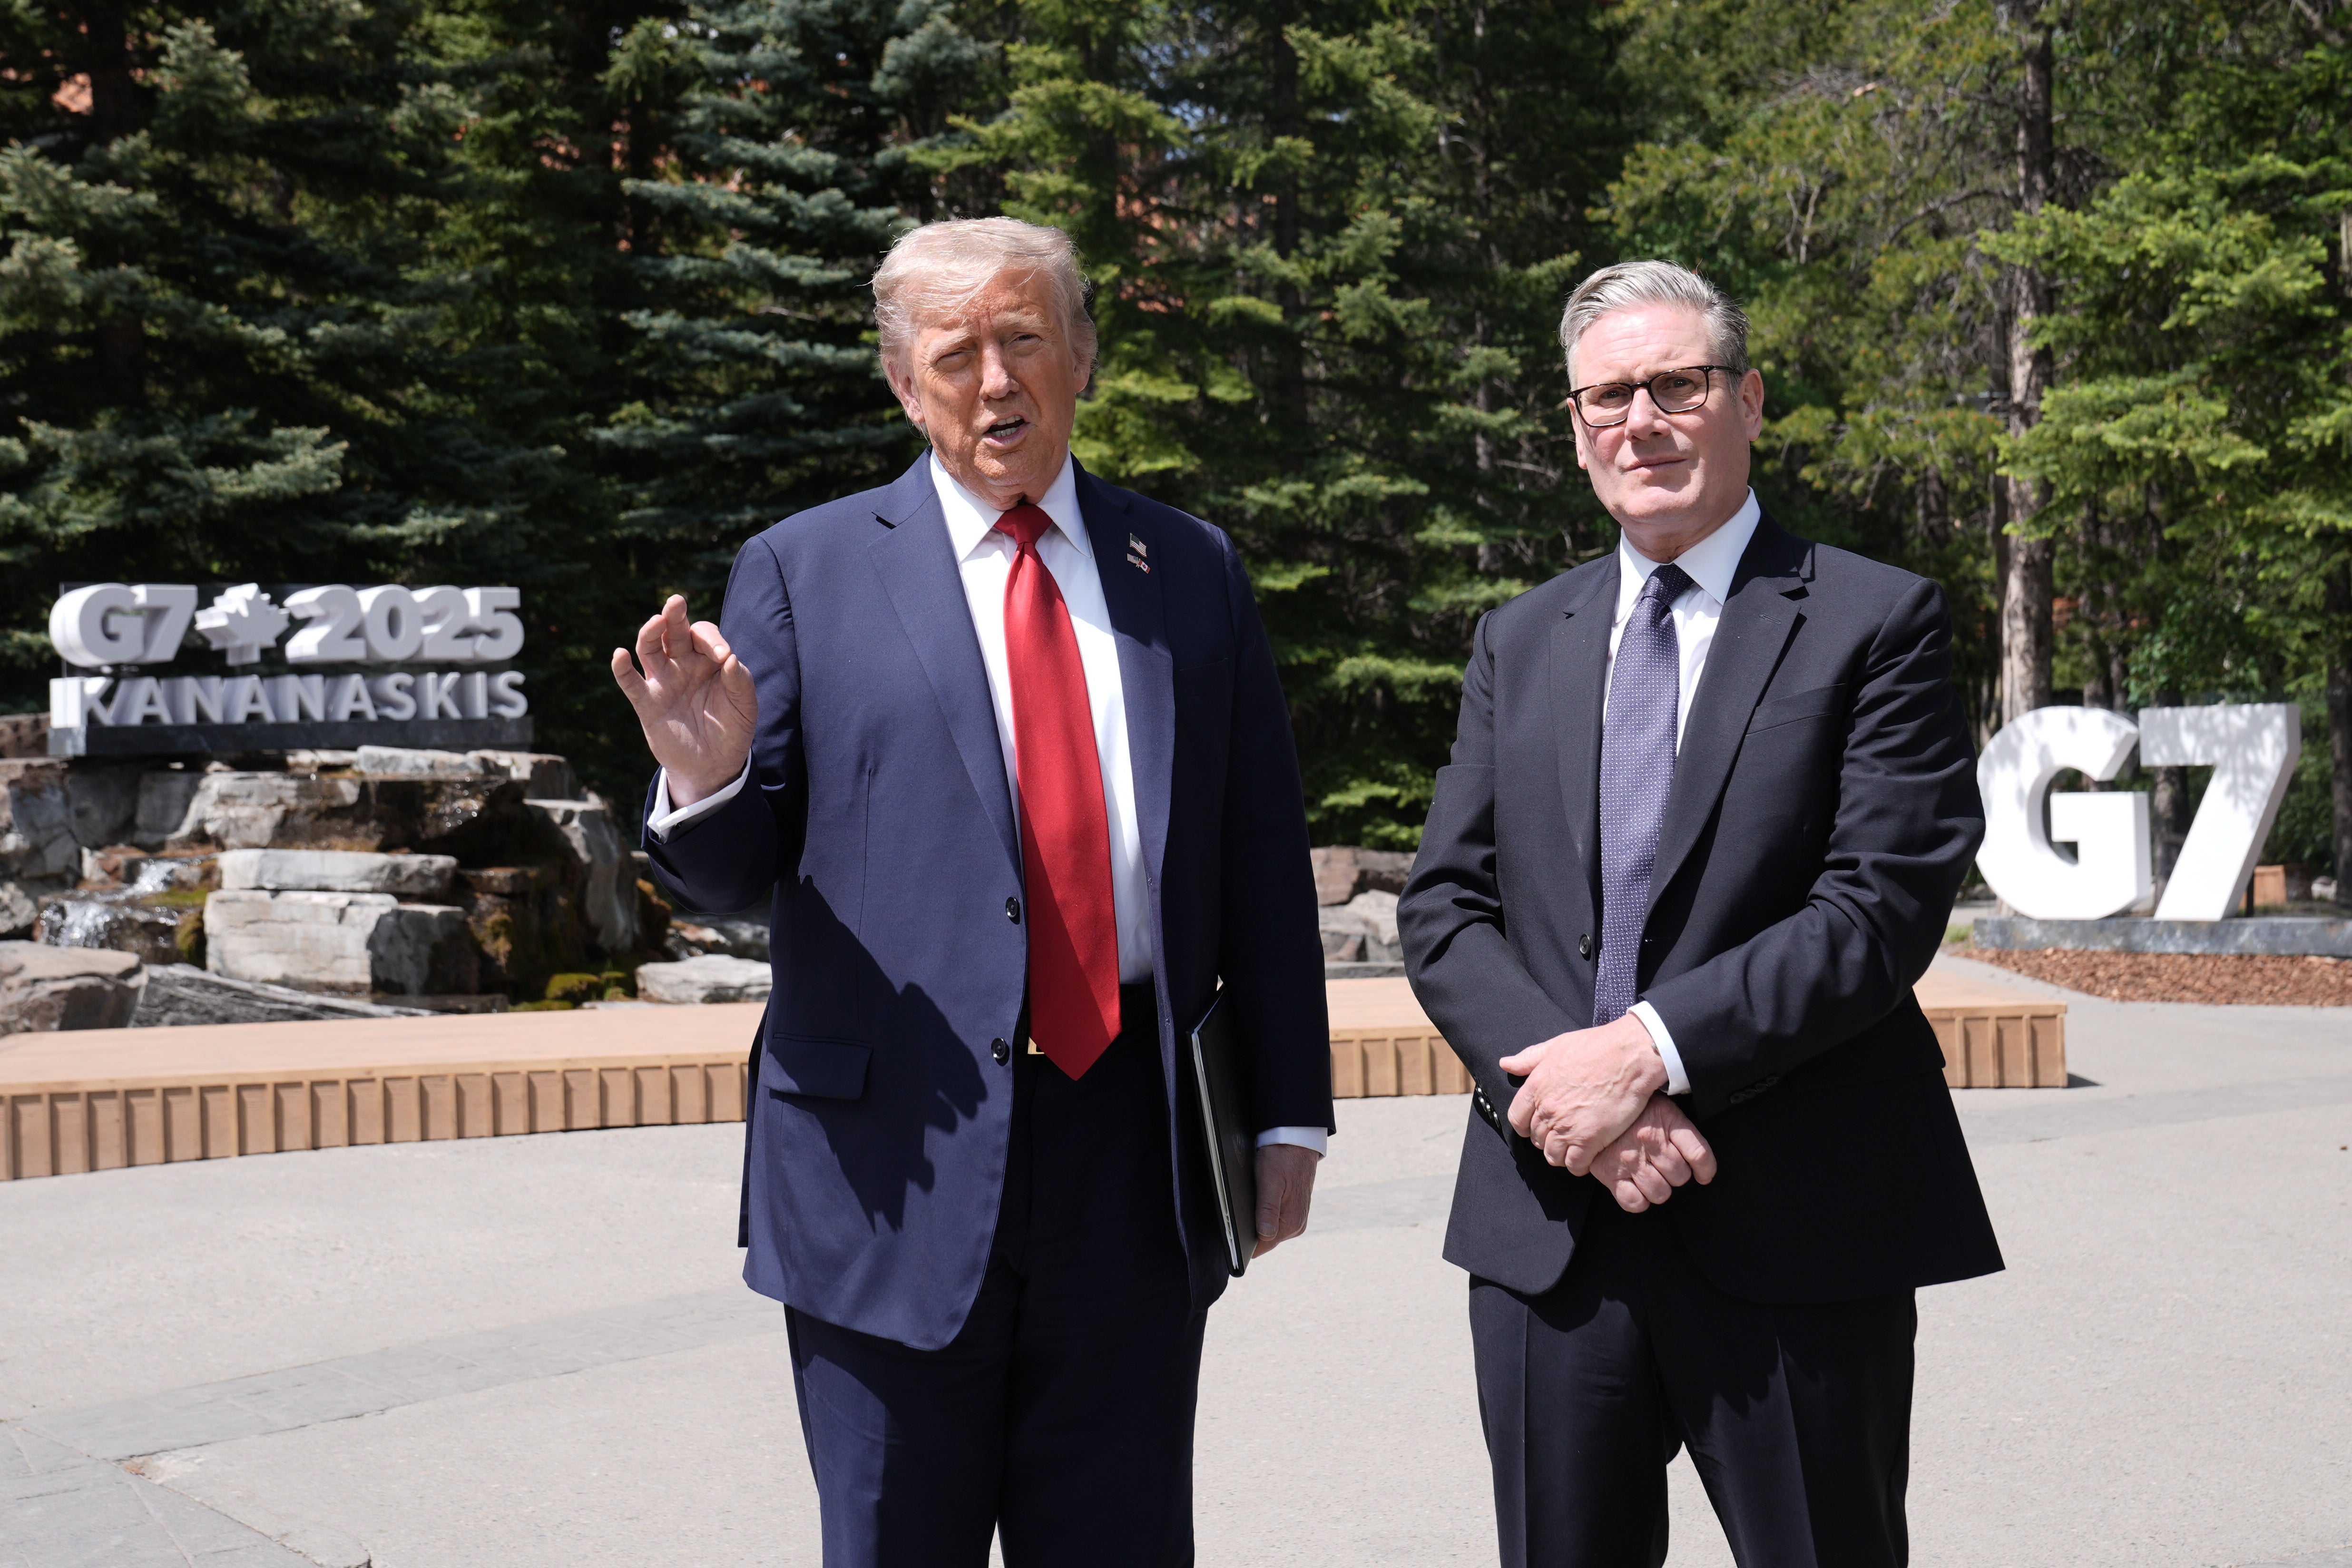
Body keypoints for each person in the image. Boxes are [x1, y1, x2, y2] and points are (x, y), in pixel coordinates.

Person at [610, 216, 1333, 1567]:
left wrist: (1287, 1111)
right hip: (889, 1160)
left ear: (1083, 357)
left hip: (1135, 1153)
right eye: (956, 356)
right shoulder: (805, 569)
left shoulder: (1189, 569)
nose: (996, 382)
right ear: (905, 384)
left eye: (1025, 341)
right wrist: (704, 775)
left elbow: (1258, 858)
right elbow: (735, 874)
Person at [1397, 259, 2002, 1568]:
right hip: (1553, 1220)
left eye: (1678, 384)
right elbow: (1446, 905)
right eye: (1607, 396)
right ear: (1575, 427)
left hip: (1797, 1218)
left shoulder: (1876, 619)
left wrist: (1646, 1056)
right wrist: (1575, 1103)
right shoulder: (1519, 638)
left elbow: (1879, 907)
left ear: (1750, 401)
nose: (1641, 422)